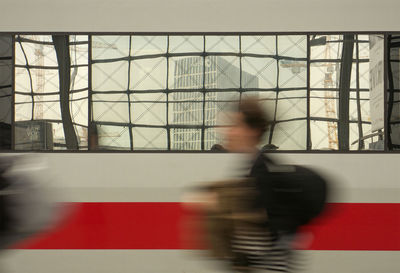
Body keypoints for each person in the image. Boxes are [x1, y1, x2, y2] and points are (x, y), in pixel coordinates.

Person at [220, 98, 297, 272]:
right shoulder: (256, 167)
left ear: (252, 131)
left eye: (235, 125)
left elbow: (262, 241)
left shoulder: (261, 173)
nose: (228, 132)